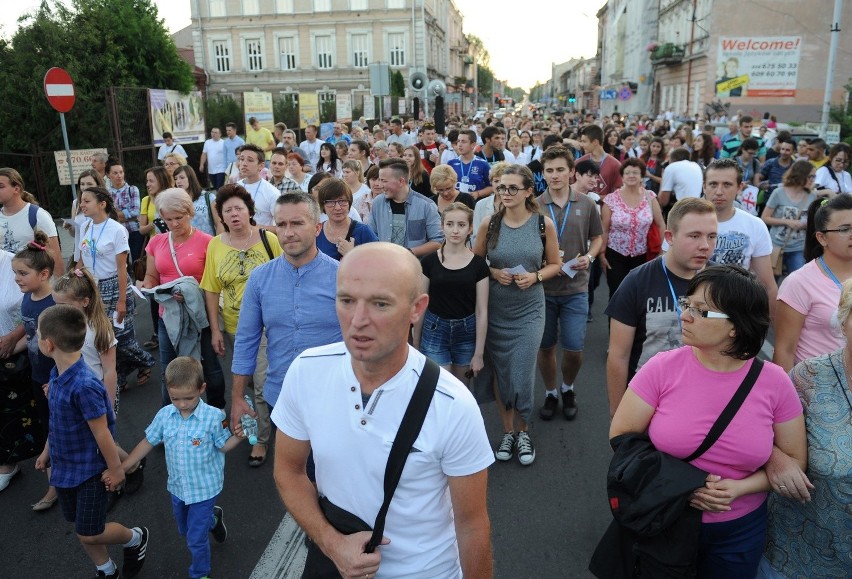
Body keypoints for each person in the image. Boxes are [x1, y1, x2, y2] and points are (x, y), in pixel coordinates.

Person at [272, 242, 494, 578]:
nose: (358, 321)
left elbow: (472, 525)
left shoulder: (452, 405)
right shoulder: (307, 371)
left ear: (417, 308)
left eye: (380, 304)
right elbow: (288, 471)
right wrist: (333, 545)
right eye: (347, 301)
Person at [610, 265, 806, 578]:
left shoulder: (775, 382)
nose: (685, 316)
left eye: (701, 311)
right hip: (666, 518)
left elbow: (796, 460)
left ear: (735, 326)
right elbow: (622, 436)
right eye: (687, 305)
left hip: (739, 531)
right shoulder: (662, 367)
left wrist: (740, 488)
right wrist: (681, 487)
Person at [34, 304, 149, 579]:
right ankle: (106, 569)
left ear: (48, 345)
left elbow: (102, 434)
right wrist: (46, 451)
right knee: (82, 529)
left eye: (37, 335)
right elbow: (57, 422)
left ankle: (135, 538)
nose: (35, 339)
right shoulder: (57, 375)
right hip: (65, 469)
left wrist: (117, 468)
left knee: (90, 531)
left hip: (89, 471)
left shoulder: (83, 386)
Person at [760, 279, 852, 578]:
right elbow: (753, 432)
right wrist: (776, 458)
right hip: (801, 554)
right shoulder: (809, 377)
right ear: (844, 321)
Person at [117, 357, 240, 579]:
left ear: (202, 389)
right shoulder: (165, 415)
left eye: (188, 398)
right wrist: (124, 466)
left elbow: (223, 446)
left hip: (204, 489)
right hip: (178, 487)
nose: (182, 404)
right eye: (175, 398)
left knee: (195, 537)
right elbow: (148, 442)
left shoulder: (214, 417)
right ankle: (213, 520)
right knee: (184, 529)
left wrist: (239, 437)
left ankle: (200, 573)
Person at [230, 192, 341, 433]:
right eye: (281, 224)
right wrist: (237, 398)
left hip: (333, 399)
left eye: (298, 223)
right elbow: (246, 340)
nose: (288, 232)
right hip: (280, 397)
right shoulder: (259, 279)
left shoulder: (343, 277)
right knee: (287, 470)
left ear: (317, 228)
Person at [473, 165, 562, 466]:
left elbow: (554, 264)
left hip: (529, 310)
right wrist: (493, 271)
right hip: (496, 309)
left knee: (521, 370)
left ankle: (523, 431)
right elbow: (474, 263)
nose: (506, 193)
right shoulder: (489, 223)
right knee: (501, 372)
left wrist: (536, 277)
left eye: (513, 188)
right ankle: (508, 431)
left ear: (528, 191)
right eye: (501, 188)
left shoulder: (542, 224)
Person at [605, 198, 718, 416]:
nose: (704, 245)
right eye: (694, 236)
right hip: (647, 401)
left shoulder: (722, 284)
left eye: (711, 236)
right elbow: (618, 356)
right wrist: (618, 416)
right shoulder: (637, 282)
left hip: (704, 401)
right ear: (670, 237)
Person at [201, 184, 281, 468]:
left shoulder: (269, 238)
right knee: (242, 380)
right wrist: (215, 329)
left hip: (266, 327)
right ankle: (252, 420)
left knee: (260, 382)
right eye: (227, 210)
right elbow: (210, 289)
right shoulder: (215, 244)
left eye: (239, 208)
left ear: (250, 211)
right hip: (233, 325)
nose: (234, 214)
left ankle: (261, 438)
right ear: (221, 216)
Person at [139, 188, 226, 409]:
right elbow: (151, 276)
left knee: (210, 369)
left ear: (190, 213)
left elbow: (214, 284)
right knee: (170, 370)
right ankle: (170, 420)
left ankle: (217, 415)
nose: (174, 223)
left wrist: (189, 294)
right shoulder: (157, 242)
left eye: (179, 217)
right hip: (167, 316)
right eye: (168, 219)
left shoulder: (208, 242)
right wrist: (146, 286)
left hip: (199, 316)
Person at [535, 147, 602, 421]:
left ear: (571, 171)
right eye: (549, 170)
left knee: (574, 349)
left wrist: (589, 256)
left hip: (576, 289)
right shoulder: (534, 205)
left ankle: (568, 387)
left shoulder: (586, 203)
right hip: (543, 290)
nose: (555, 175)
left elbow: (597, 237)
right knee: (546, 346)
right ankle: (551, 392)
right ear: (543, 173)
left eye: (560, 169)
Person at [73, 187, 155, 391]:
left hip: (114, 286)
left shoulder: (116, 229)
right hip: (92, 288)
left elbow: (121, 267)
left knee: (123, 338)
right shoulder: (86, 227)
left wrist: (121, 300)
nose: (81, 205)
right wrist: (75, 276)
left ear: (102, 204)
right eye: (81, 201)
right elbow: (82, 257)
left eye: (86, 201)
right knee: (103, 337)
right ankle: (118, 376)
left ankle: (144, 361)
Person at [773, 195, 852, 372]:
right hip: (816, 391)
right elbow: (784, 351)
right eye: (844, 229)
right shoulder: (799, 283)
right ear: (822, 238)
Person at [413, 202, 489, 384]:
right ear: (442, 226)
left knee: (460, 389)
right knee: (439, 387)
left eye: (461, 225)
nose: (455, 230)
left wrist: (479, 353)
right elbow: (421, 305)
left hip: (466, 331)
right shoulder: (429, 262)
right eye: (450, 224)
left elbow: (482, 310)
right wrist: (415, 343)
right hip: (434, 330)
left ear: (470, 229)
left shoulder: (479, 265)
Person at [14, 233, 58, 509]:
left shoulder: (55, 303)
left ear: (44, 274)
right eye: (15, 273)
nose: (17, 278)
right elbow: (30, 336)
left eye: (22, 273)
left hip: (57, 380)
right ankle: (55, 485)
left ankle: (125, 465)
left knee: (71, 429)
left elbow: (67, 348)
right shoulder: (28, 299)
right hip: (37, 377)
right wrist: (10, 346)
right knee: (47, 429)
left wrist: (59, 380)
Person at [600, 158, 666, 299]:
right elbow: (604, 229)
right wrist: (601, 255)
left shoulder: (650, 197)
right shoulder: (611, 199)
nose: (631, 176)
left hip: (643, 255)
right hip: (615, 254)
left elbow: (661, 224)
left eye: (635, 172)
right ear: (622, 176)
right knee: (617, 295)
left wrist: (662, 251)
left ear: (642, 176)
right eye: (627, 172)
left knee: (640, 295)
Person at [0, 246, 37, 494]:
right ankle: (6, 463)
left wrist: (13, 337)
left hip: (17, 351)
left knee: (25, 410)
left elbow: (38, 303)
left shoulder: (12, 264)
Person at [370, 158, 443, 257]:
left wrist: (408, 253)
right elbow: (371, 236)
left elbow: (438, 242)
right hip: (384, 266)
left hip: (415, 268)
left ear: (401, 181)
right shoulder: (377, 203)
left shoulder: (426, 206)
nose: (380, 185)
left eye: (384, 181)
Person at [0, 168, 64, 277]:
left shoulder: (37, 215)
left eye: (1, 186)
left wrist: (57, 290)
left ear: (16, 189)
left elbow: (55, 258)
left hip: (33, 287)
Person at [761, 160, 817, 277]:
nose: (813, 180)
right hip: (776, 245)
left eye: (814, 176)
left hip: (798, 247)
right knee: (770, 282)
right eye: (811, 176)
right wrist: (788, 222)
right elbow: (765, 218)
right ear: (801, 175)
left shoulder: (812, 196)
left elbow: (814, 222)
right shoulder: (779, 193)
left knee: (798, 281)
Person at [315, 178, 377, 261]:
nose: (337, 207)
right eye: (330, 202)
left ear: (349, 203)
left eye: (342, 201)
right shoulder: (317, 232)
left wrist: (352, 254)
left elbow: (378, 263)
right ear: (323, 205)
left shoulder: (363, 232)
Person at [237, 144, 281, 232]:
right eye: (241, 159)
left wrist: (255, 228)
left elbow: (280, 227)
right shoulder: (234, 188)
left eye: (250, 160)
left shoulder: (272, 192)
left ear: (261, 166)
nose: (244, 164)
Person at [106, 162, 144, 263]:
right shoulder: (107, 194)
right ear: (108, 175)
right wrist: (127, 213)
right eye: (115, 173)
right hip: (117, 233)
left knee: (138, 262)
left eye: (121, 172)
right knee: (122, 263)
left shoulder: (132, 189)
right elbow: (108, 215)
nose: (119, 175)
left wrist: (117, 214)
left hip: (134, 231)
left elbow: (136, 211)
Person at [174, 165, 223, 236]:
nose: (178, 181)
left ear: (191, 178)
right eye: (175, 179)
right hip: (186, 244)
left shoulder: (208, 197)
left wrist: (218, 244)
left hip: (208, 243)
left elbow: (219, 222)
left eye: (182, 178)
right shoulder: (175, 201)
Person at [577, 125, 623, 199]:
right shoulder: (579, 163)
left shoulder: (615, 165)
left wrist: (598, 198)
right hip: (582, 209)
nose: (582, 145)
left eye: (584, 141)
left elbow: (619, 194)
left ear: (595, 142)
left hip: (604, 209)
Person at [448, 130, 492, 201]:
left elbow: (491, 187)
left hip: (476, 205)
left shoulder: (483, 164)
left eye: (463, 141)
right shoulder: (451, 163)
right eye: (458, 141)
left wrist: (478, 193)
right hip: (456, 204)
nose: (459, 144)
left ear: (473, 145)